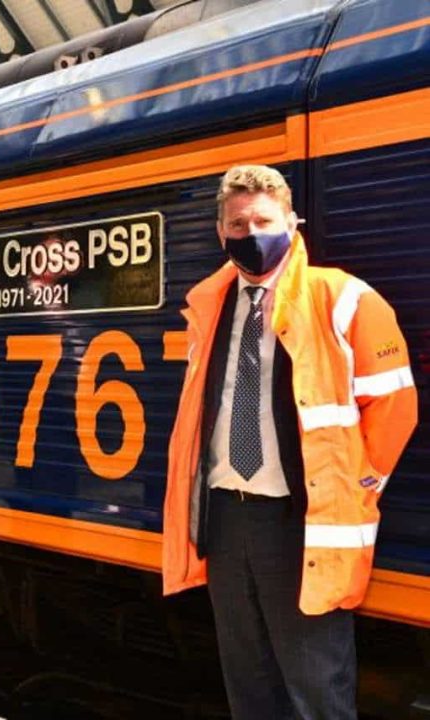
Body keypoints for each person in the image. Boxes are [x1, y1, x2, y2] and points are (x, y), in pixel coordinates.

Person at [162, 165, 417, 718]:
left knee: (314, 689)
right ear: (219, 231)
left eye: (262, 220)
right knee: (248, 684)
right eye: (237, 224)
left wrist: (361, 484)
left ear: (292, 221)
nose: (250, 234)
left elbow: (396, 404)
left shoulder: (343, 298)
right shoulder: (210, 306)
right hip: (226, 518)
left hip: (301, 523)